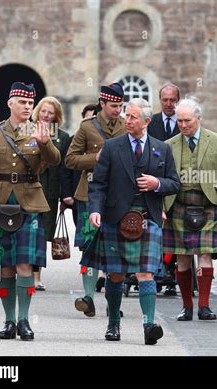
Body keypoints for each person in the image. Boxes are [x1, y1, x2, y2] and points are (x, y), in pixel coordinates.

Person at [0, 82, 61, 340]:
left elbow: (55, 161)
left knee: (24, 264)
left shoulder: (41, 131)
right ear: (10, 103)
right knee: (5, 266)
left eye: (31, 103)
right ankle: (8, 321)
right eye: (22, 102)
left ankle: (24, 320)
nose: (28, 107)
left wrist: (45, 143)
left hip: (28, 203)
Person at [82, 98, 180, 343]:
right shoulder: (112, 147)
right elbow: (98, 184)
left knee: (146, 273)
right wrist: (95, 210)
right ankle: (113, 323)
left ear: (146, 121)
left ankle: (149, 325)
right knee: (115, 274)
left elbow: (175, 183)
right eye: (127, 116)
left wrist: (157, 184)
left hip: (148, 218)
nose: (127, 120)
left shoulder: (162, 149)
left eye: (133, 117)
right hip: (116, 218)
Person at [163, 97, 217, 321]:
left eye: (187, 120)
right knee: (183, 258)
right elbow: (164, 178)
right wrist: (161, 207)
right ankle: (186, 307)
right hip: (178, 205)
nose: (183, 125)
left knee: (204, 256)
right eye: (179, 121)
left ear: (198, 118)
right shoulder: (170, 145)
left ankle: (204, 307)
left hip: (207, 205)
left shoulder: (215, 141)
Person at [65, 83, 126, 317]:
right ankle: (89, 297)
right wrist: (95, 158)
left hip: (117, 196)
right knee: (89, 246)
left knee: (115, 249)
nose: (117, 110)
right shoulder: (87, 127)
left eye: (120, 106)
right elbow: (70, 159)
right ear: (102, 104)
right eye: (113, 106)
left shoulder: (126, 127)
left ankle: (113, 303)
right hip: (88, 194)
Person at [31, 96, 71, 291]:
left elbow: (65, 169)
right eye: (43, 111)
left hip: (50, 192)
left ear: (57, 116)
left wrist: (65, 195)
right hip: (28, 190)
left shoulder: (62, 137)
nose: (46, 115)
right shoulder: (25, 130)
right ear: (38, 111)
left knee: (41, 234)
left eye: (51, 112)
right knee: (24, 232)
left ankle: (37, 276)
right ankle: (19, 272)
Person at [147, 83, 182, 296]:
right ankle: (157, 271)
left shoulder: (186, 122)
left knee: (176, 232)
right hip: (154, 180)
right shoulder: (152, 122)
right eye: (165, 100)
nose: (169, 104)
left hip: (176, 181)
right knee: (156, 229)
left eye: (172, 100)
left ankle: (174, 275)